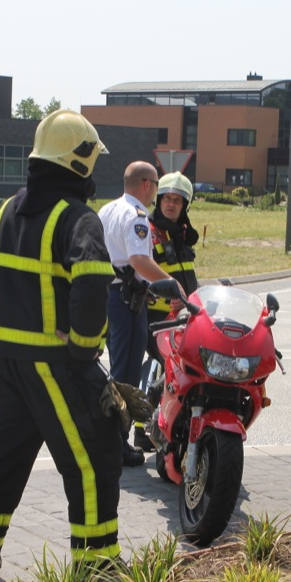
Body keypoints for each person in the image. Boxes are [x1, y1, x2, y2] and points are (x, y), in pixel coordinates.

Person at [0, 110, 121, 582]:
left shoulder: (10, 209)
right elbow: (92, 284)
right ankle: (98, 567)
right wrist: (85, 348)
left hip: (9, 363)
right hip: (57, 366)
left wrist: (1, 311)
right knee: (93, 459)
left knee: (0, 459)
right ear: (81, 161)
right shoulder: (77, 217)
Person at [98, 161, 181, 466]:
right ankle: (116, 446)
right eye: (157, 186)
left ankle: (111, 441)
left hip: (107, 296)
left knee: (116, 370)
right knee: (127, 378)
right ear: (147, 184)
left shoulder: (107, 210)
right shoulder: (137, 216)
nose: (156, 193)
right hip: (126, 302)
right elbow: (139, 261)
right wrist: (174, 288)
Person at [139, 171, 199, 450]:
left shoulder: (181, 234)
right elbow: (141, 273)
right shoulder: (149, 232)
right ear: (159, 200)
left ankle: (178, 425)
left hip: (183, 317)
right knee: (168, 370)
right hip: (156, 318)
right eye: (167, 199)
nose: (171, 204)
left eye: (177, 200)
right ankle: (144, 429)